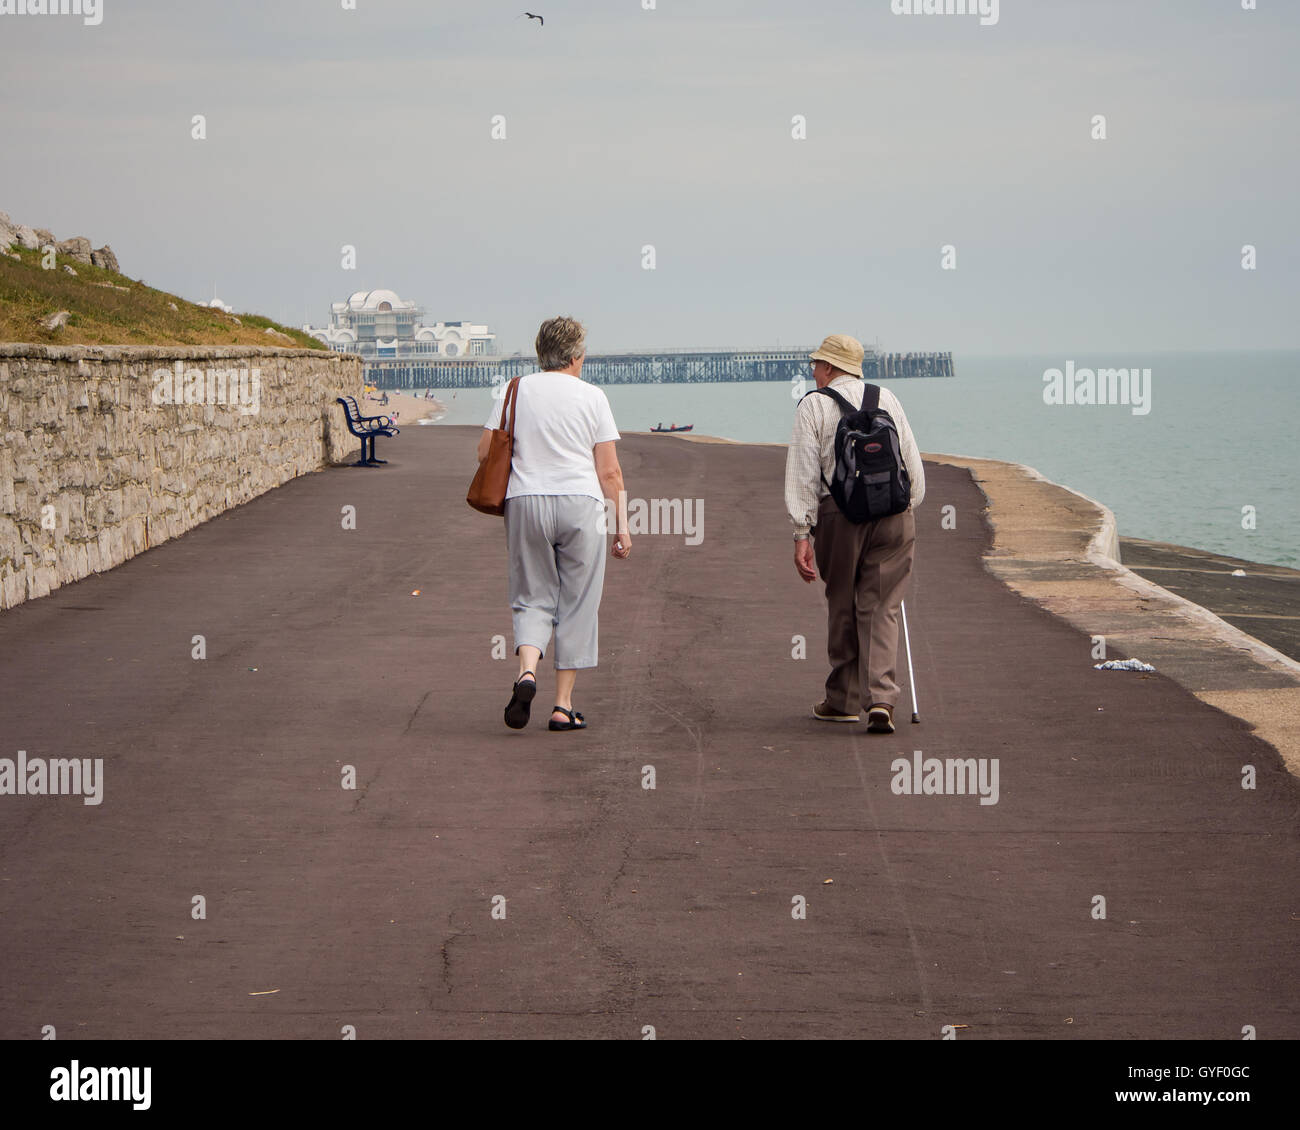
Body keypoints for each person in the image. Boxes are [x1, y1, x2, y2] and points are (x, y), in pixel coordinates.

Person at [478, 316, 631, 731]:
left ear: (540, 352)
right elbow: (610, 472)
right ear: (577, 355)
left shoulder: (516, 390)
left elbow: (484, 452)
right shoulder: (593, 397)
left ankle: (527, 672)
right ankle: (563, 706)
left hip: (525, 501)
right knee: (578, 602)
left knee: (532, 596)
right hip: (580, 502)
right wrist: (621, 525)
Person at [784, 334, 925, 733]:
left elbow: (803, 476)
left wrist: (801, 534)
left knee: (842, 600)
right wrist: (903, 509)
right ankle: (881, 699)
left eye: (816, 364)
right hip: (895, 516)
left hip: (839, 517)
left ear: (829, 367)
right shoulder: (887, 399)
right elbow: (913, 467)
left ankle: (843, 699)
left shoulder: (813, 405)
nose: (812, 371)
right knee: (882, 606)